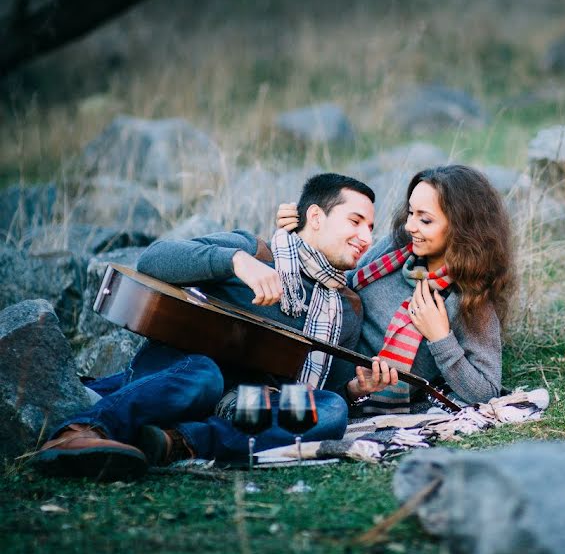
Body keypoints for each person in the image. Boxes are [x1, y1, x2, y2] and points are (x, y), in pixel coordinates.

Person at [32, 173, 394, 480]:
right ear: (315, 217)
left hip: (243, 403)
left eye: (371, 228)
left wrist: (352, 388)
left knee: (331, 409)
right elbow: (153, 259)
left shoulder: (347, 306)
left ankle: (176, 442)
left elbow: (319, 389)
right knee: (205, 376)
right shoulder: (254, 251)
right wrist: (236, 261)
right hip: (181, 375)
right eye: (355, 221)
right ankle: (79, 432)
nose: (366, 236)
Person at [278, 165, 515, 414]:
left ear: (461, 227)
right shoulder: (396, 248)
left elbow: (487, 391)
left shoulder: (470, 300)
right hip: (302, 343)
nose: (410, 225)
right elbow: (335, 281)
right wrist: (302, 233)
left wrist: (440, 338)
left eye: (425, 219)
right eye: (411, 212)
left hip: (338, 395)